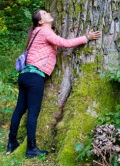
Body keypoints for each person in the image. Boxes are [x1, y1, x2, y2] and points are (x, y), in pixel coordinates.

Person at [7, 9, 101, 158]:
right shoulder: (44, 31)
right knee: (33, 113)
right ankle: (31, 148)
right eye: (44, 14)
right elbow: (64, 43)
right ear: (40, 21)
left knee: (19, 110)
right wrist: (86, 38)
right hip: (34, 76)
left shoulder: (36, 32)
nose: (48, 13)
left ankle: (11, 142)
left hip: (25, 75)